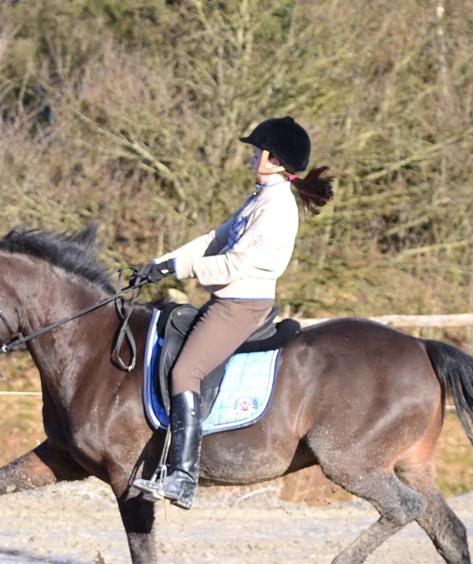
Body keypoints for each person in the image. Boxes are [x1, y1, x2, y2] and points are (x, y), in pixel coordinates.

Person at [132, 116, 333, 509]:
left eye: (258, 151)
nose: (253, 155)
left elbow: (232, 265)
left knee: (186, 371)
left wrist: (177, 269)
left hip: (242, 305)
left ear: (275, 160)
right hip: (230, 300)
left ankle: (182, 475)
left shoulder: (277, 208)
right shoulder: (260, 198)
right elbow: (213, 240)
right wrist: (159, 263)